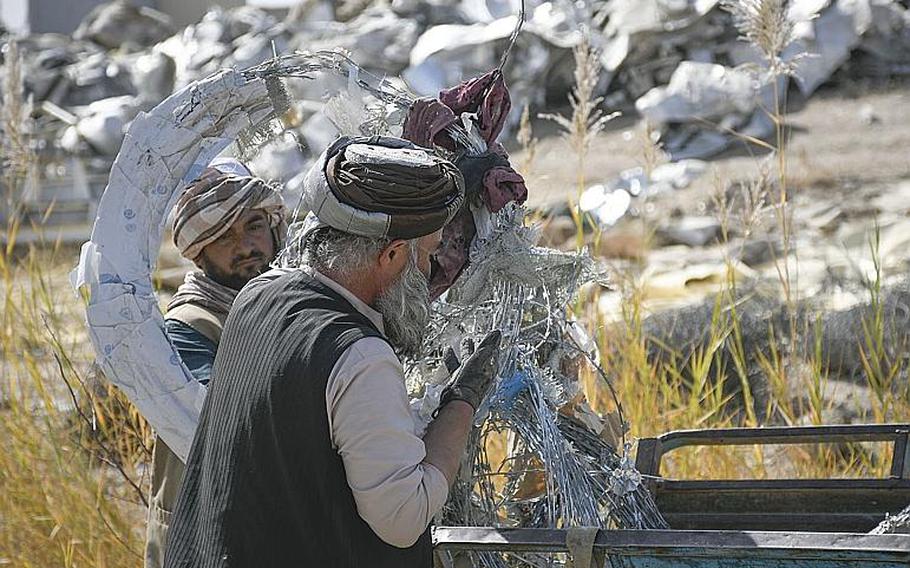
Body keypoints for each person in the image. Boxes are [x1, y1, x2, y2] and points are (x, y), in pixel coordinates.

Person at [164, 136, 502, 567]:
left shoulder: (258, 294)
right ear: (393, 253)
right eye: (428, 253)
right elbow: (402, 517)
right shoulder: (359, 357)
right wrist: (462, 403)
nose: (429, 270)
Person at [145, 158, 287, 568]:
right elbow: (232, 426)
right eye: (223, 236)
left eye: (253, 227)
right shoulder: (191, 325)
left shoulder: (278, 303)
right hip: (204, 535)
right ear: (198, 252)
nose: (245, 247)